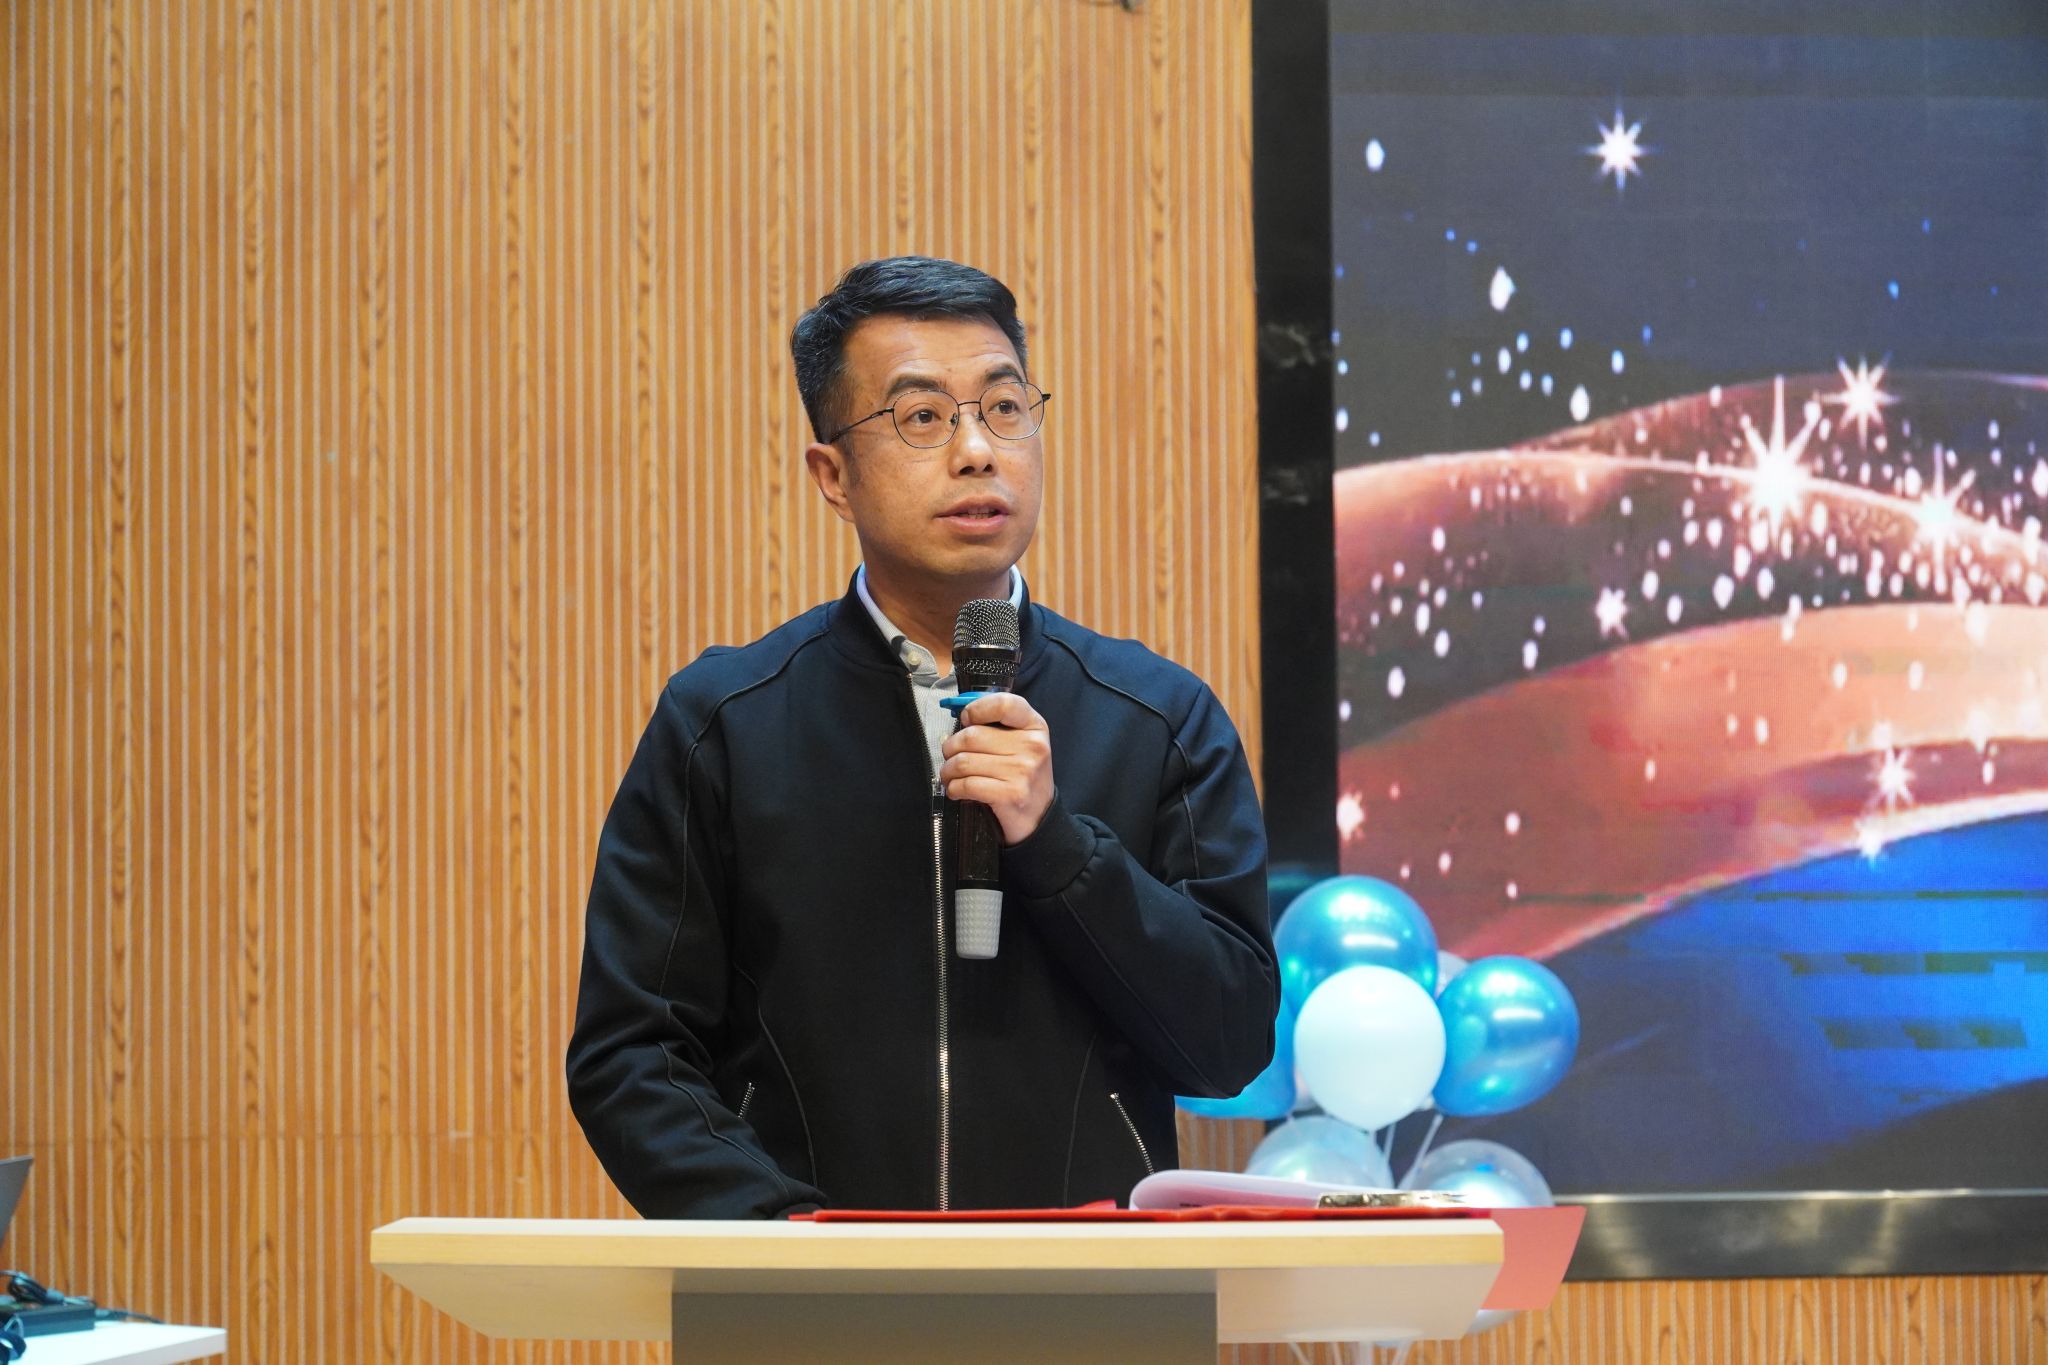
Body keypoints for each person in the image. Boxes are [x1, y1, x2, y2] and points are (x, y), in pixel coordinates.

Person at [566, 256, 1276, 1218]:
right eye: (922, 417)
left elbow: (1228, 1044)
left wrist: (1060, 848)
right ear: (834, 475)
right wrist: (784, 1237)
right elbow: (632, 1051)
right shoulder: (725, 722)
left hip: (1087, 1283)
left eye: (1005, 408)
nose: (978, 450)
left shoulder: (1159, 716)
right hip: (807, 1283)